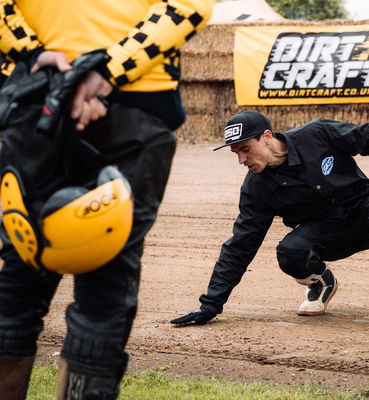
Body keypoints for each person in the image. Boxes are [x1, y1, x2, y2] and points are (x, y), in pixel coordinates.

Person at [0, 1, 213, 399]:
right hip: (136, 102)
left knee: (20, 270)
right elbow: (189, 7)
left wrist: (32, 52)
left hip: (36, 96)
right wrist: (107, 70)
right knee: (107, 283)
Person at [171, 110, 369, 331]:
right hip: (327, 236)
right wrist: (211, 304)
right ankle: (323, 284)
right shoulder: (256, 189)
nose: (241, 159)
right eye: (236, 153)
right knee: (289, 252)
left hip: (367, 214)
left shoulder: (317, 133)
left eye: (245, 149)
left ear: (267, 137)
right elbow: (240, 246)